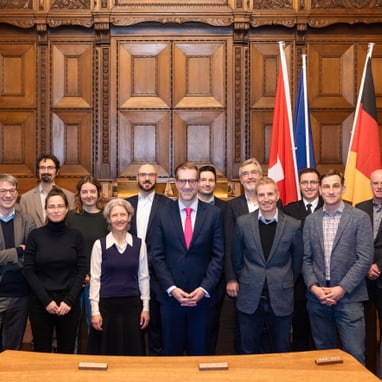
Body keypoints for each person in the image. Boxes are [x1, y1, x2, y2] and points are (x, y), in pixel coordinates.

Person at [151, 161, 224, 356]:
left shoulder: (214, 215)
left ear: (199, 182)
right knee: (171, 357)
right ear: (175, 182)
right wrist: (172, 289)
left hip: (202, 300)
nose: (187, 186)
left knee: (201, 356)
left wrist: (203, 289)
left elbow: (218, 256)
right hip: (171, 299)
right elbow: (156, 256)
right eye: (183, 181)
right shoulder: (161, 214)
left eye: (192, 181)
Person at [303, 169, 373, 364]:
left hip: (349, 298)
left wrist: (341, 289)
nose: (331, 191)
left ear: (343, 189)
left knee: (355, 356)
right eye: (326, 186)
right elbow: (306, 259)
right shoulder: (311, 220)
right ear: (319, 189)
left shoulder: (359, 218)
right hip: (318, 299)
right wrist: (314, 288)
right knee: (323, 358)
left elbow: (365, 258)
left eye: (335, 186)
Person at [231, 176, 303, 354]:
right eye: (261, 195)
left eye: (270, 194)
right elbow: (237, 259)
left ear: (278, 195)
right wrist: (249, 277)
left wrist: (282, 279)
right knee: (247, 351)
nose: (266, 199)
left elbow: (297, 262)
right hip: (250, 298)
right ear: (256, 197)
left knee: (281, 350)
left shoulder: (293, 226)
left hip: (281, 297)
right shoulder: (243, 223)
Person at [23, 187, 87, 353]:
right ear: (46, 210)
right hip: (41, 303)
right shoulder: (35, 236)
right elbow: (29, 270)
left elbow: (81, 269)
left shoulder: (76, 236)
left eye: (60, 206)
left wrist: (69, 300)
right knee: (42, 350)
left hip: (69, 303)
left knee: (66, 351)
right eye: (51, 206)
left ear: (67, 209)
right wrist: (46, 301)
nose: (56, 210)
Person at [89, 198, 150, 356]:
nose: (119, 219)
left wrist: (146, 308)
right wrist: (95, 311)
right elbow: (95, 280)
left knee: (133, 351)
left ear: (129, 217)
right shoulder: (99, 245)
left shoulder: (139, 244)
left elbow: (144, 277)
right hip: (107, 307)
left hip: (132, 306)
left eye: (123, 214)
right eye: (114, 215)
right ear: (108, 219)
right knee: (108, 351)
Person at [127, 163, 171, 356]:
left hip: (158, 275)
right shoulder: (125, 205)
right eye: (143, 175)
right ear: (137, 178)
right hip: (129, 275)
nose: (147, 179)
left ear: (156, 179)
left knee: (157, 326)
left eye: (151, 175)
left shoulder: (168, 205)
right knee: (132, 324)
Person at [224, 157, 263, 353]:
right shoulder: (232, 207)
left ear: (261, 176)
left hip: (268, 279)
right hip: (243, 278)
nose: (250, 177)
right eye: (245, 174)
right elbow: (229, 245)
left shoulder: (274, 203)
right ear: (240, 179)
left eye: (253, 172)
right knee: (244, 333)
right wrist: (231, 278)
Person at [66, 176, 108, 354]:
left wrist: (93, 276)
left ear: (99, 193)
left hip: (98, 283)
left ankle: (98, 363)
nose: (89, 195)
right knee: (70, 328)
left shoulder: (107, 217)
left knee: (97, 325)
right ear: (79, 194)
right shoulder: (70, 217)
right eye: (85, 192)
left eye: (92, 191)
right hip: (73, 281)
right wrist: (79, 275)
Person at [283, 168, 323, 351]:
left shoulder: (329, 206)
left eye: (313, 182)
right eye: (305, 183)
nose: (309, 186)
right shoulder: (288, 210)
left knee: (323, 336)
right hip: (297, 280)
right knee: (299, 332)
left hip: (324, 279)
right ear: (299, 185)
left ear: (319, 186)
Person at [0, 174, 36, 351]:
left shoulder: (27, 219)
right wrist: (17, 251)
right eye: (3, 190)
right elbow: (23, 251)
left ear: (17, 192)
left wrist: (5, 257)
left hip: (20, 295)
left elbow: (32, 254)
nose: (8, 195)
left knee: (12, 350)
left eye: (11, 190)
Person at [197, 165, 226, 355]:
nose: (207, 183)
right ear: (197, 183)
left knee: (211, 328)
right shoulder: (183, 207)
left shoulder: (225, 209)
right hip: (188, 279)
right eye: (203, 180)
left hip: (216, 279)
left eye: (211, 180)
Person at [356, 168, 382, 375]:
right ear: (370, 185)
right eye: (375, 183)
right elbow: (353, 242)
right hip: (361, 280)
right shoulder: (360, 208)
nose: (379, 186)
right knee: (359, 331)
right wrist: (366, 265)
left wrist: (378, 265)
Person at [20, 154, 75, 228]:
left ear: (57, 171)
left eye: (50, 168)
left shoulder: (69, 197)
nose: (46, 171)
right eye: (42, 168)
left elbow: (71, 224)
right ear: (38, 171)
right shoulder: (26, 199)